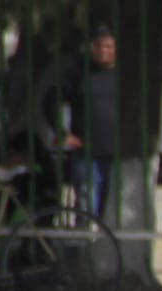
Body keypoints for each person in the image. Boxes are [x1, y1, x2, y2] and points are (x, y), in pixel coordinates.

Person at [46, 24, 118, 216]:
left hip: (116, 153)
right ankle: (84, 236)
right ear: (92, 48)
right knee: (87, 205)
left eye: (109, 46)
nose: (103, 51)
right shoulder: (79, 74)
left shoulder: (123, 77)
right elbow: (50, 101)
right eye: (99, 46)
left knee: (110, 210)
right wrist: (62, 133)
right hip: (86, 152)